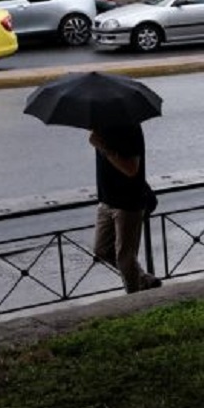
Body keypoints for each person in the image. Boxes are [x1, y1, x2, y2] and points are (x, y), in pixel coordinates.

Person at [89, 123, 161, 293]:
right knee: (102, 250)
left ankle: (134, 300)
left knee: (125, 257)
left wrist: (103, 147)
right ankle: (144, 279)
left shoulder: (130, 127)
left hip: (128, 202)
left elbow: (131, 169)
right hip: (106, 201)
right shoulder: (100, 130)